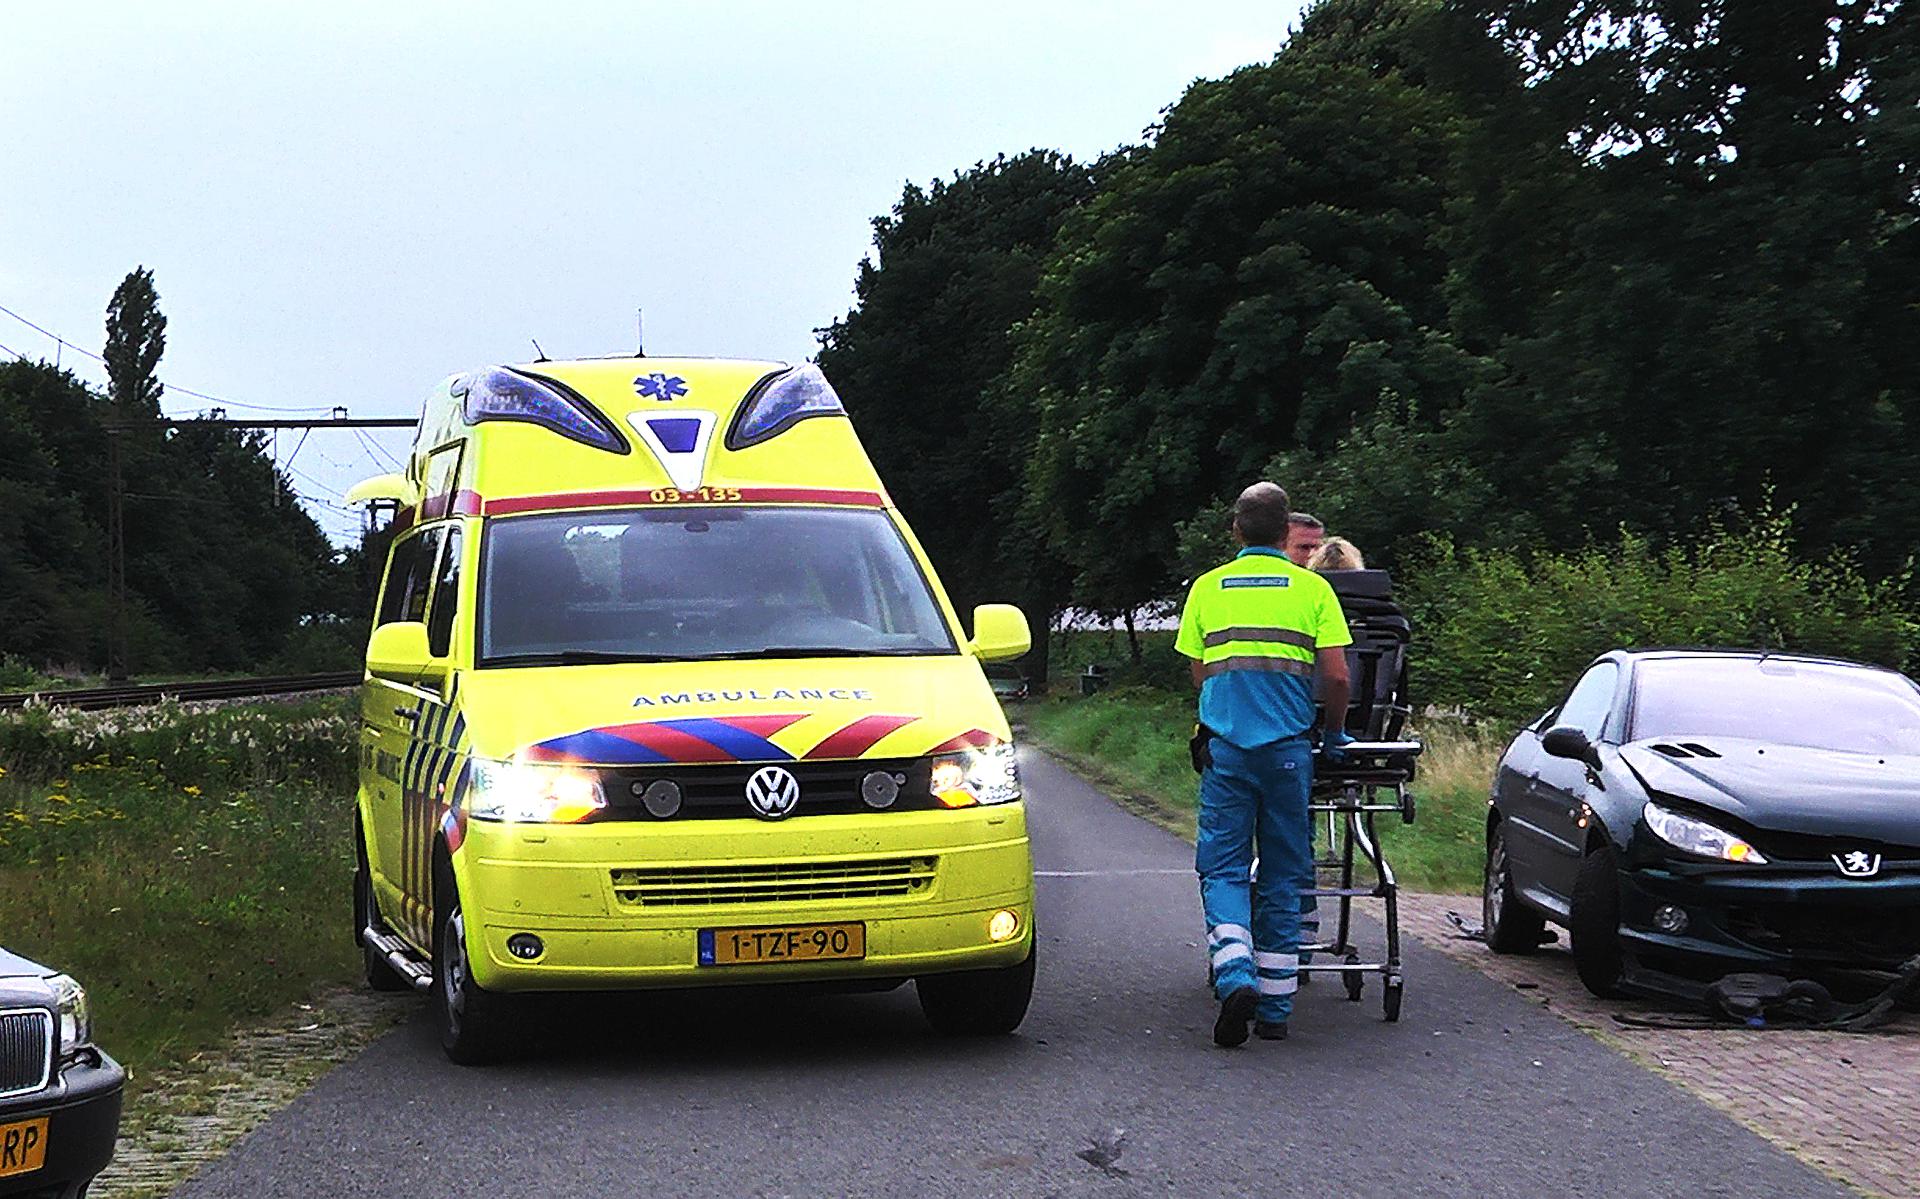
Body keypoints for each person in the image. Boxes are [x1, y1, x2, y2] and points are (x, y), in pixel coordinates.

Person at [1176, 482, 1352, 1046]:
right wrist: (1334, 733)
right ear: (1285, 534)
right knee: (1284, 871)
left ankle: (1234, 974)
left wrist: (1221, 711)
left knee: (1223, 867)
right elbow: (1339, 676)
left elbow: (1199, 669)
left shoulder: (1206, 588)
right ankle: (1275, 1010)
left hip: (1227, 751)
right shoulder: (1313, 590)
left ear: (1235, 531)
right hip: (1288, 754)